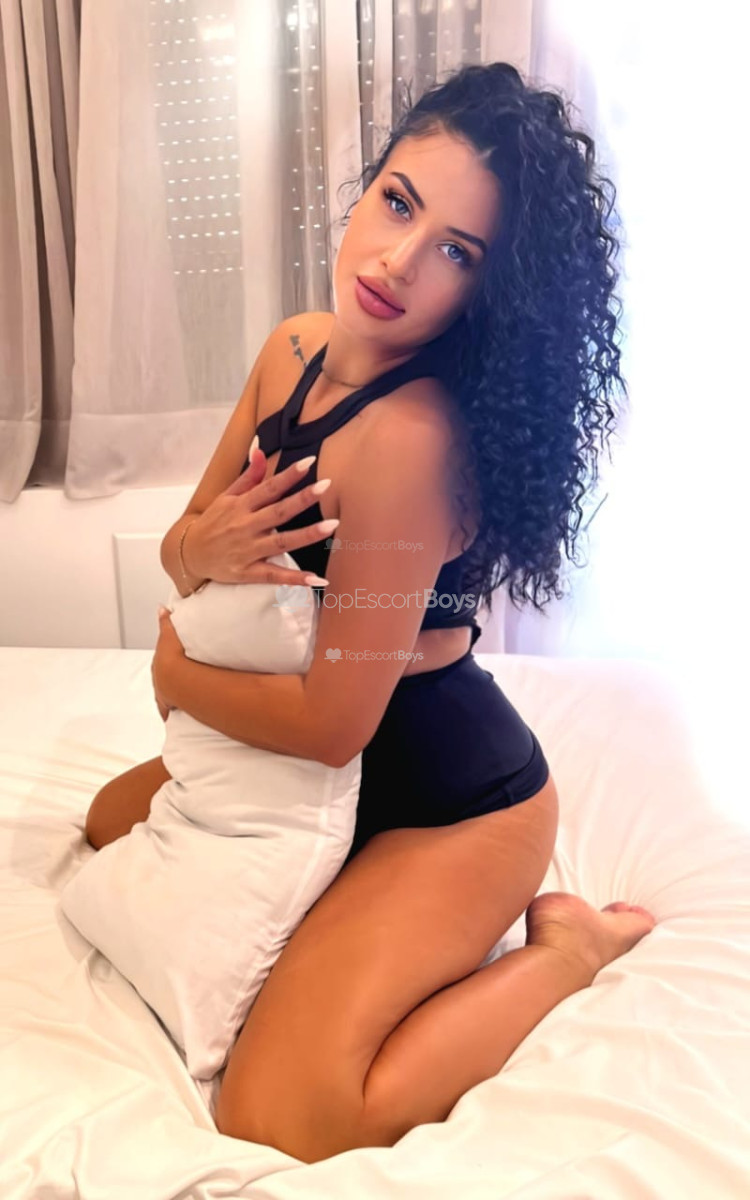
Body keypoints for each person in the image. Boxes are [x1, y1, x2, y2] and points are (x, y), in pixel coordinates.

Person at [86, 62, 657, 1163]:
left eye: (458, 252)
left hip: (447, 798)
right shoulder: (292, 351)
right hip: (311, 778)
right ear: (366, 187)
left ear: (485, 295)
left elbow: (336, 722)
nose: (399, 261)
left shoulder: (411, 440)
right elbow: (184, 549)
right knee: (110, 825)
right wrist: (201, 548)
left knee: (285, 1110)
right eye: (399, 203)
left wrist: (173, 677)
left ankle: (568, 950)